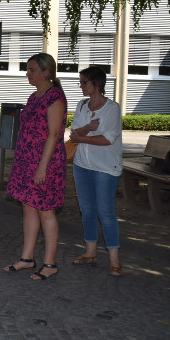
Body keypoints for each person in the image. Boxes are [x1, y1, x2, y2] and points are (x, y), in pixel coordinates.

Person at [4, 53, 67, 280]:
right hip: (26, 161)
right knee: (28, 208)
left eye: (32, 69)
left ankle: (50, 263)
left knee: (46, 211)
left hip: (45, 163)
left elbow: (53, 135)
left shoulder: (55, 97)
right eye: (27, 69)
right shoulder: (34, 96)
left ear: (46, 72)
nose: (27, 73)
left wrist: (42, 167)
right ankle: (27, 258)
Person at [69, 66, 124, 276]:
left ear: (96, 84)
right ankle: (90, 252)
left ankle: (115, 261)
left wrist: (82, 135)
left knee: (106, 212)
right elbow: (74, 132)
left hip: (105, 168)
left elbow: (107, 139)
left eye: (84, 82)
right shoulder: (82, 105)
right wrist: (86, 129)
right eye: (81, 82)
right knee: (87, 210)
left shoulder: (112, 108)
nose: (81, 86)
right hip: (82, 165)